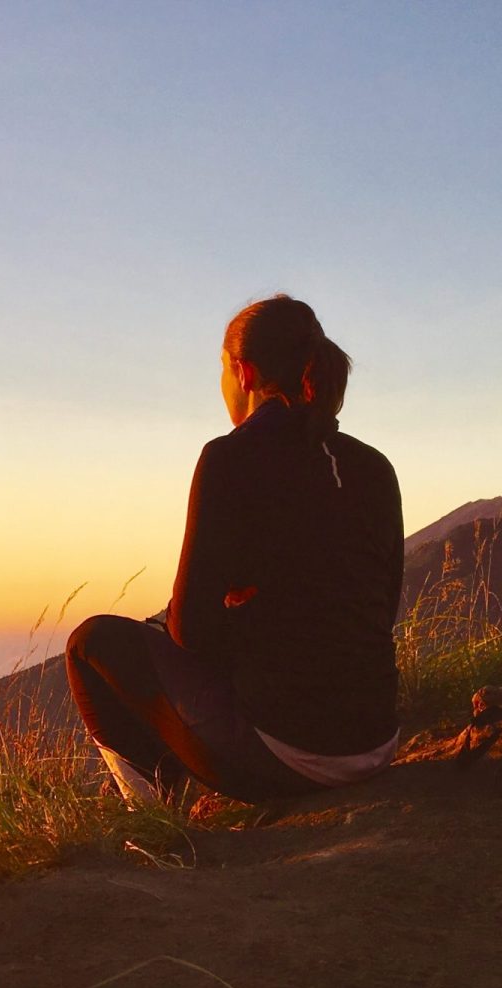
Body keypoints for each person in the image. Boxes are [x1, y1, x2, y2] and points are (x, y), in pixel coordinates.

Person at [64, 295, 404, 805]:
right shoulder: (373, 466)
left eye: (222, 370)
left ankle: (153, 815)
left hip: (291, 758)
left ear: (243, 373)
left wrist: (237, 613)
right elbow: (381, 607)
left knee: (91, 643)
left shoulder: (229, 458)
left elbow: (191, 631)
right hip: (377, 741)